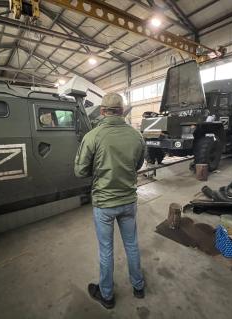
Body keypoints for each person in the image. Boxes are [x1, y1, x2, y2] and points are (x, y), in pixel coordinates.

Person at [74, 93, 146, 309]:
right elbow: (139, 165)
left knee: (106, 250)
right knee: (132, 245)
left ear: (103, 111)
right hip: (128, 200)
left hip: (104, 204)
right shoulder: (136, 136)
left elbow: (79, 171)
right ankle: (139, 286)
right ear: (123, 111)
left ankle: (107, 295)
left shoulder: (93, 136)